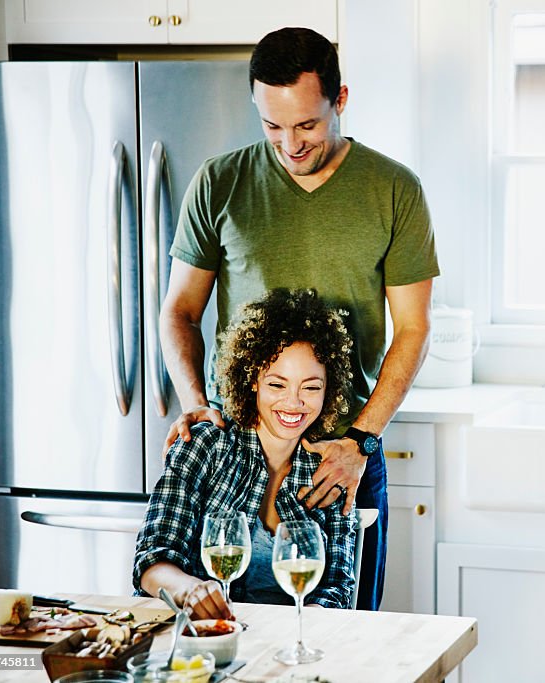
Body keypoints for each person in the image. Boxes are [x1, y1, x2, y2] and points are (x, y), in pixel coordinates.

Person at [159, 26, 438, 611]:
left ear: (339, 100)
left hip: (341, 451)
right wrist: (193, 402)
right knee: (216, 627)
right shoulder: (219, 182)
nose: (289, 143)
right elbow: (180, 313)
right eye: (272, 125)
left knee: (341, 635)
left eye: (306, 124)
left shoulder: (394, 190)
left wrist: (361, 440)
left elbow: (413, 329)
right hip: (235, 445)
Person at [135, 288, 357, 617]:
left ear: (329, 390)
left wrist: (300, 628)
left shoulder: (330, 472)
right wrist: (190, 591)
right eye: (277, 385)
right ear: (253, 380)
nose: (294, 403)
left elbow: (339, 587)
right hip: (201, 644)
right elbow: (152, 559)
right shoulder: (206, 447)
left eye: (310, 387)